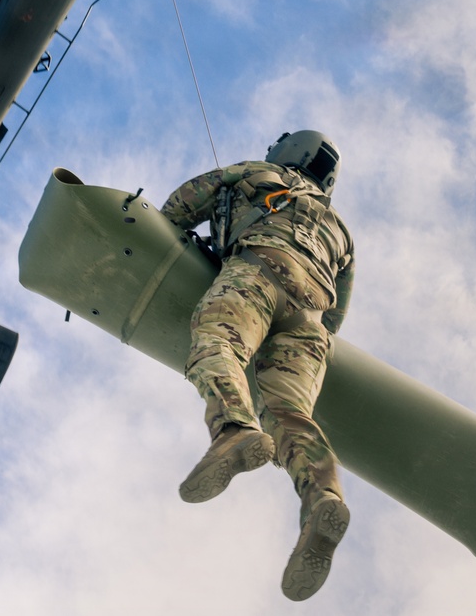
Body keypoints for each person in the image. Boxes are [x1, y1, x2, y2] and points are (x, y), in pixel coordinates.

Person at [161, 130, 354, 602]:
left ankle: (234, 429)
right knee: (290, 415)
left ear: (291, 152)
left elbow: (183, 203)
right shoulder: (342, 230)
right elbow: (339, 313)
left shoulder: (257, 173)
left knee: (217, 343)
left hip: (259, 271)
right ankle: (322, 499)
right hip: (310, 319)